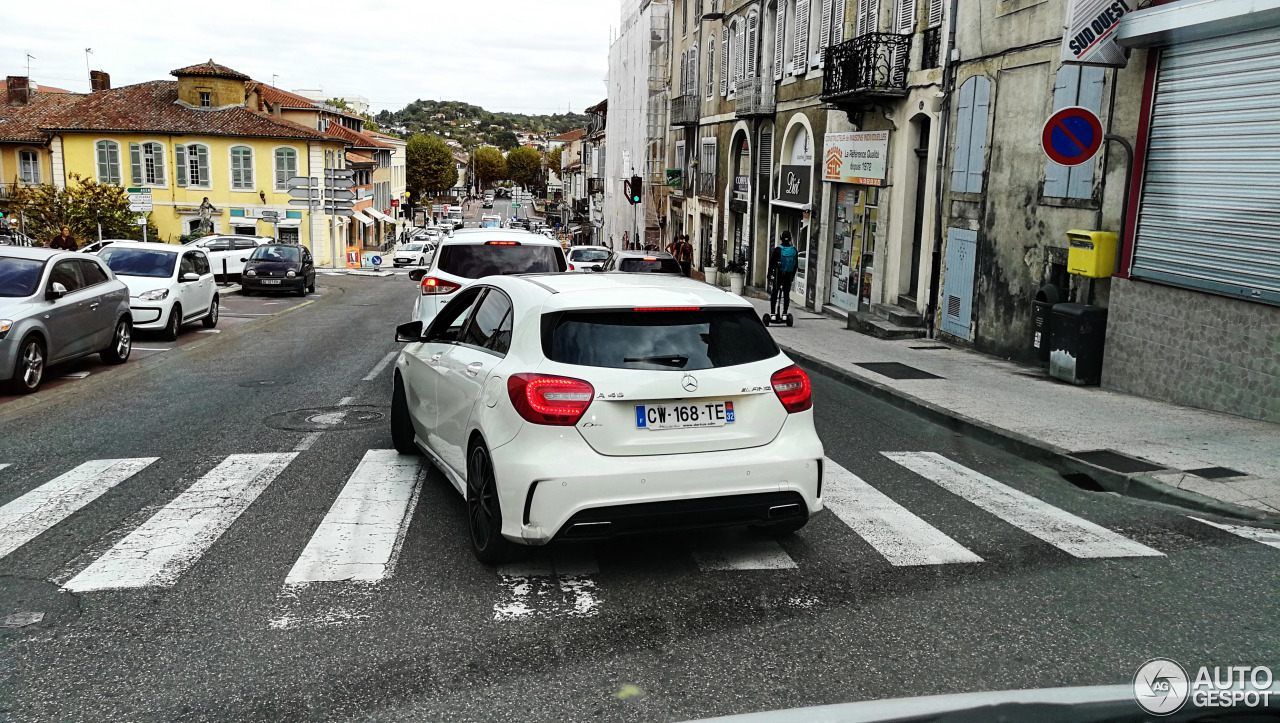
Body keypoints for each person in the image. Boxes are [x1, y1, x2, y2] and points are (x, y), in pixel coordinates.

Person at [767, 230, 799, 317]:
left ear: (781, 238)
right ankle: (785, 313)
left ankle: (773, 313)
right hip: (788, 276)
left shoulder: (778, 250)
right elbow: (796, 265)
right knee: (786, 294)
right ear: (790, 239)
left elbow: (771, 264)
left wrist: (769, 275)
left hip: (778, 275)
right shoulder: (794, 251)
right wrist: (792, 277)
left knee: (775, 293)